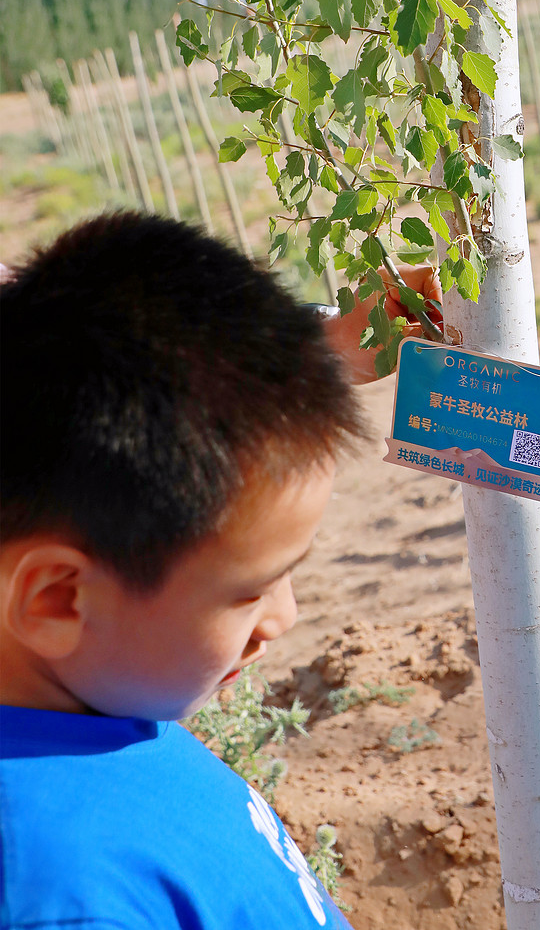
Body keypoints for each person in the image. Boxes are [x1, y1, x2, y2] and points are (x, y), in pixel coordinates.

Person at [0, 212, 441, 929]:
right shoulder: (64, 900)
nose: (283, 618)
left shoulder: (104, 695)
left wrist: (311, 350)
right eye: (251, 589)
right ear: (56, 598)